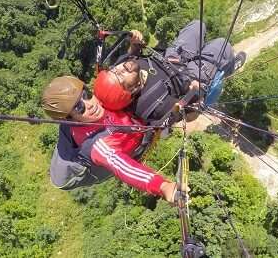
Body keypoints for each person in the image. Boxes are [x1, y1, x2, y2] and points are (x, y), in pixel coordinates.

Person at [42, 75, 178, 202]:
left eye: (86, 95)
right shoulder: (97, 145)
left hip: (135, 125)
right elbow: (123, 167)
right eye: (79, 107)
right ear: (71, 120)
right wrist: (162, 187)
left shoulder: (100, 98)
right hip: (135, 139)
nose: (89, 104)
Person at [95, 20, 246, 125]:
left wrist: (134, 44)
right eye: (121, 76)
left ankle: (220, 59)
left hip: (172, 57)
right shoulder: (152, 106)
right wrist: (196, 95)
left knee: (197, 25)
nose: (121, 68)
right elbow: (189, 115)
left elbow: (132, 54)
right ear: (132, 90)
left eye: (115, 70)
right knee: (222, 45)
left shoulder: (124, 66)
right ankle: (230, 66)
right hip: (189, 77)